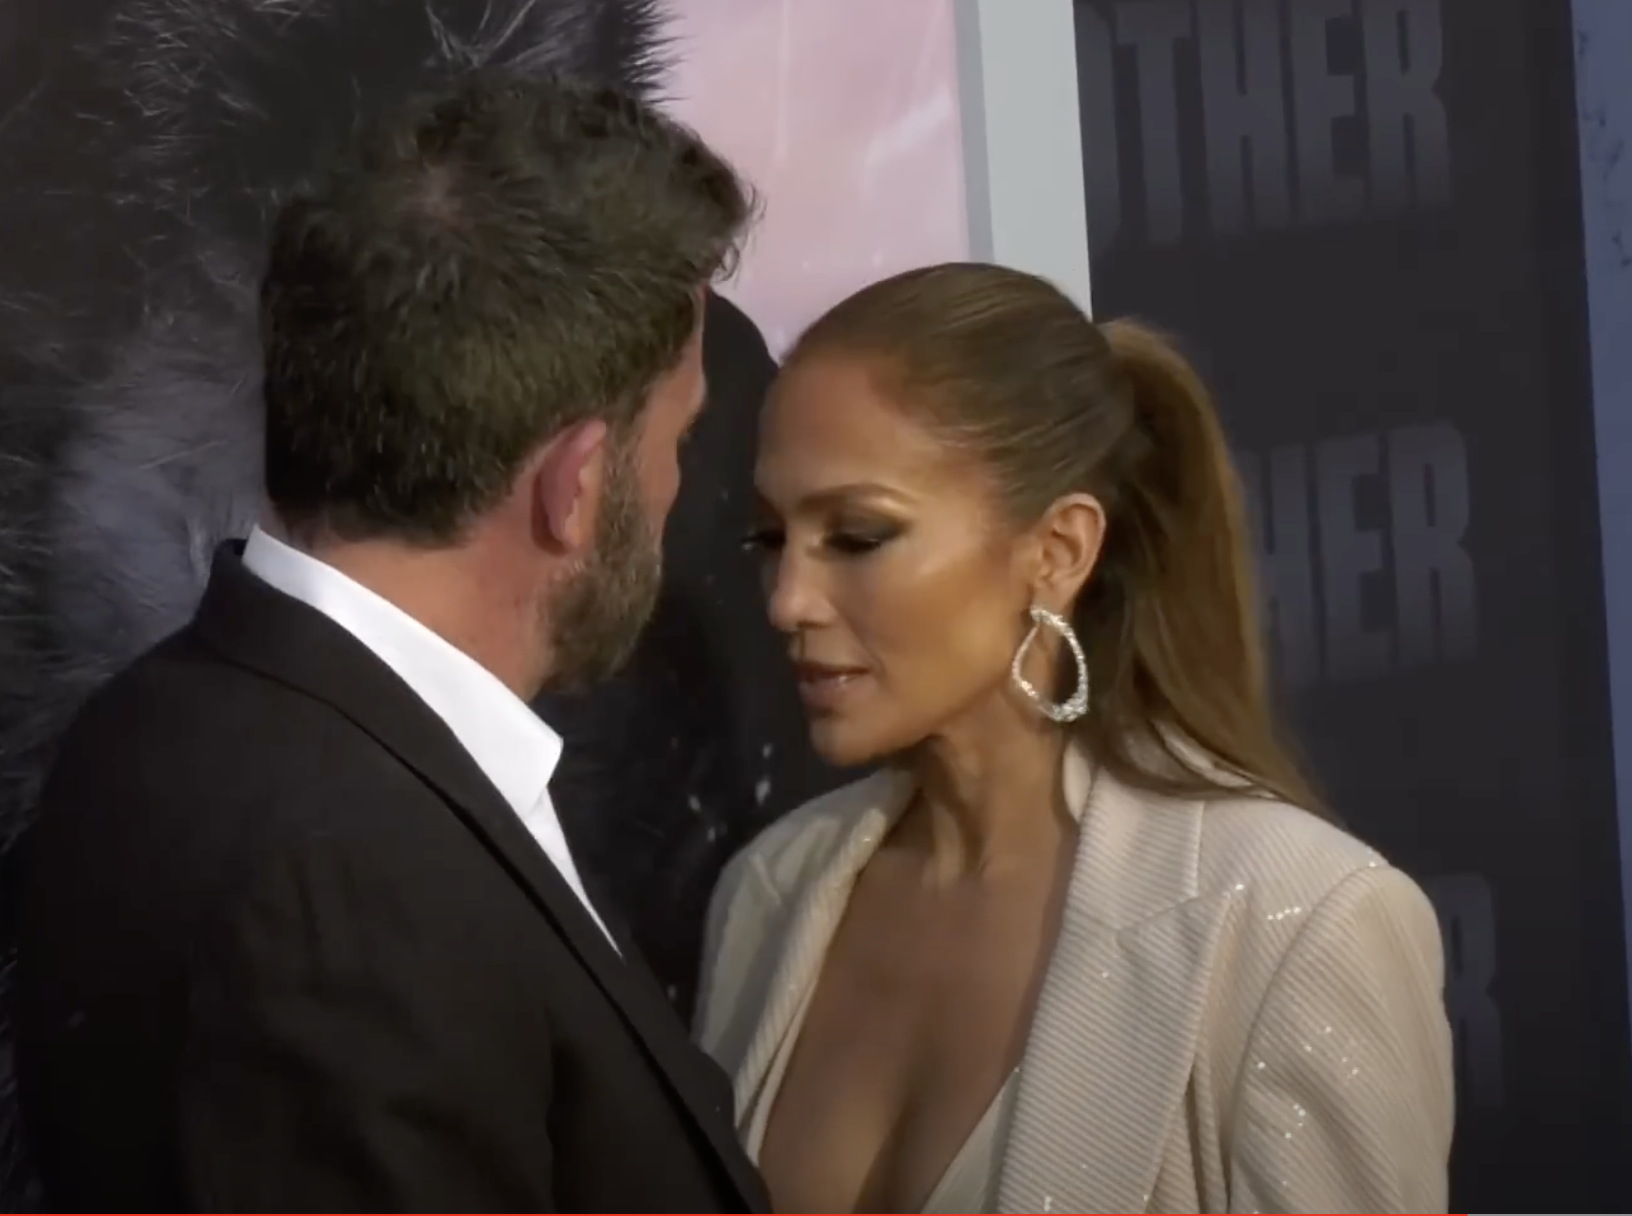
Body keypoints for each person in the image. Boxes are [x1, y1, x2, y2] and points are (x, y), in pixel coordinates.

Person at [17, 76, 768, 1212]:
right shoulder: (349, 891)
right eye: (681, 435)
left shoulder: (153, 727)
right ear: (573, 487)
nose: (678, 486)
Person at [695, 262, 1454, 1213]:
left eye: (856, 536)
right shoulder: (771, 893)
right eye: (771, 540)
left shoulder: (1298, 923)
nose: (788, 601)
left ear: (1057, 552)